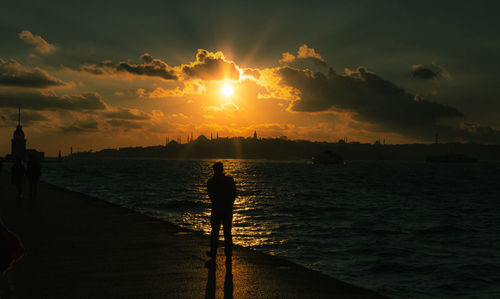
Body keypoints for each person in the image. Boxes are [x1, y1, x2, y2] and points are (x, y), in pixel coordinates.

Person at [206, 162, 236, 262]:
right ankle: (228, 253)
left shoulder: (211, 182)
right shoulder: (229, 181)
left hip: (216, 209)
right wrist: (229, 205)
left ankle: (213, 252)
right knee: (227, 232)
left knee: (215, 232)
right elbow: (233, 195)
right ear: (222, 169)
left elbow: (211, 196)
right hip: (227, 210)